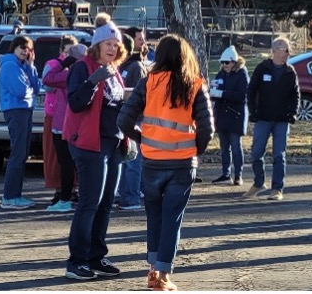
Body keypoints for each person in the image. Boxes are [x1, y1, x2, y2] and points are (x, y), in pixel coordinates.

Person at [117, 34, 214, 292]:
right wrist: (196, 150)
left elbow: (123, 119)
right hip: (182, 163)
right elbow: (207, 128)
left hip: (152, 161)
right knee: (173, 219)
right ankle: (163, 274)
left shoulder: (148, 83)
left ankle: (152, 272)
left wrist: (142, 138)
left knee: (155, 216)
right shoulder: (194, 84)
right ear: (185, 57)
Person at [63, 18, 127, 280]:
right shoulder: (82, 67)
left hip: (113, 143)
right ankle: (76, 261)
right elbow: (76, 103)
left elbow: (118, 104)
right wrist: (94, 80)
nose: (112, 48)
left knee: (106, 203)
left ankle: (96, 256)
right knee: (90, 202)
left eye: (116, 44)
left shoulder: (114, 69)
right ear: (96, 45)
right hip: (89, 143)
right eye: (108, 44)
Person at [244, 37, 300, 201]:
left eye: (289, 50)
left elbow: (295, 94)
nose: (288, 53)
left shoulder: (290, 72)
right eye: (286, 49)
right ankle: (259, 182)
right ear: (275, 51)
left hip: (282, 120)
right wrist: (252, 111)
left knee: (279, 155)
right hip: (263, 118)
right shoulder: (262, 68)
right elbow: (251, 90)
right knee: (256, 152)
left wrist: (293, 112)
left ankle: (277, 188)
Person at [41, 36, 84, 212]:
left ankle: (65, 198)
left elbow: (48, 79)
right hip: (80, 123)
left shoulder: (68, 73)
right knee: (78, 162)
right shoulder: (88, 72)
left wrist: (62, 63)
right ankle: (75, 194)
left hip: (62, 122)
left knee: (65, 161)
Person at [0, 34, 41, 209]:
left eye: (28, 48)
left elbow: (36, 88)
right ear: (14, 48)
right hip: (16, 112)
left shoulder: (24, 66)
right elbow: (21, 91)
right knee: (18, 154)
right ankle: (9, 196)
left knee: (23, 153)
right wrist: (30, 89)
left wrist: (31, 67)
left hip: (25, 110)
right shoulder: (10, 65)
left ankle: (16, 194)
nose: (25, 51)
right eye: (22, 47)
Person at [115, 27, 150, 211]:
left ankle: (132, 197)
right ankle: (125, 193)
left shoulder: (137, 67)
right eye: (139, 39)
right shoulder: (124, 66)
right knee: (125, 158)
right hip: (124, 118)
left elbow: (140, 97)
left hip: (136, 120)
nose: (143, 43)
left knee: (133, 160)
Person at [210, 45, 249, 186]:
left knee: (235, 146)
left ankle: (238, 174)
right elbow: (216, 92)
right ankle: (226, 174)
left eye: (226, 62)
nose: (224, 65)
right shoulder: (221, 74)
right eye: (222, 62)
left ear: (234, 62)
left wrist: (222, 94)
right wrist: (213, 92)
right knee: (224, 147)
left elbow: (242, 96)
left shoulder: (242, 74)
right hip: (222, 115)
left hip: (235, 116)